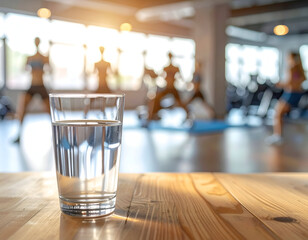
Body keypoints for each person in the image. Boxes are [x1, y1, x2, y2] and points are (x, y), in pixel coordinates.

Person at [14, 37, 51, 143]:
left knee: (49, 111)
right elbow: (24, 69)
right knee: (22, 109)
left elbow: (49, 70)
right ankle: (19, 135)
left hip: (41, 85)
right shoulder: (30, 57)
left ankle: (59, 135)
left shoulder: (44, 57)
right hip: (32, 85)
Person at [266, 52, 306, 145]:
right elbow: (298, 82)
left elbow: (289, 83)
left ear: (291, 58)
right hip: (296, 94)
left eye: (288, 57)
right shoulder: (300, 70)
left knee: (277, 114)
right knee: (279, 114)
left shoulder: (291, 68)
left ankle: (277, 136)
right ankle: (278, 135)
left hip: (290, 94)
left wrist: (278, 84)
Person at [148, 52, 189, 120]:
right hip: (166, 87)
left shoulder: (175, 68)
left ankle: (188, 115)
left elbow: (181, 77)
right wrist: (152, 74)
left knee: (180, 102)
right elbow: (159, 76)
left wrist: (185, 83)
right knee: (156, 99)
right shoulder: (166, 68)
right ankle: (151, 116)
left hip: (173, 88)